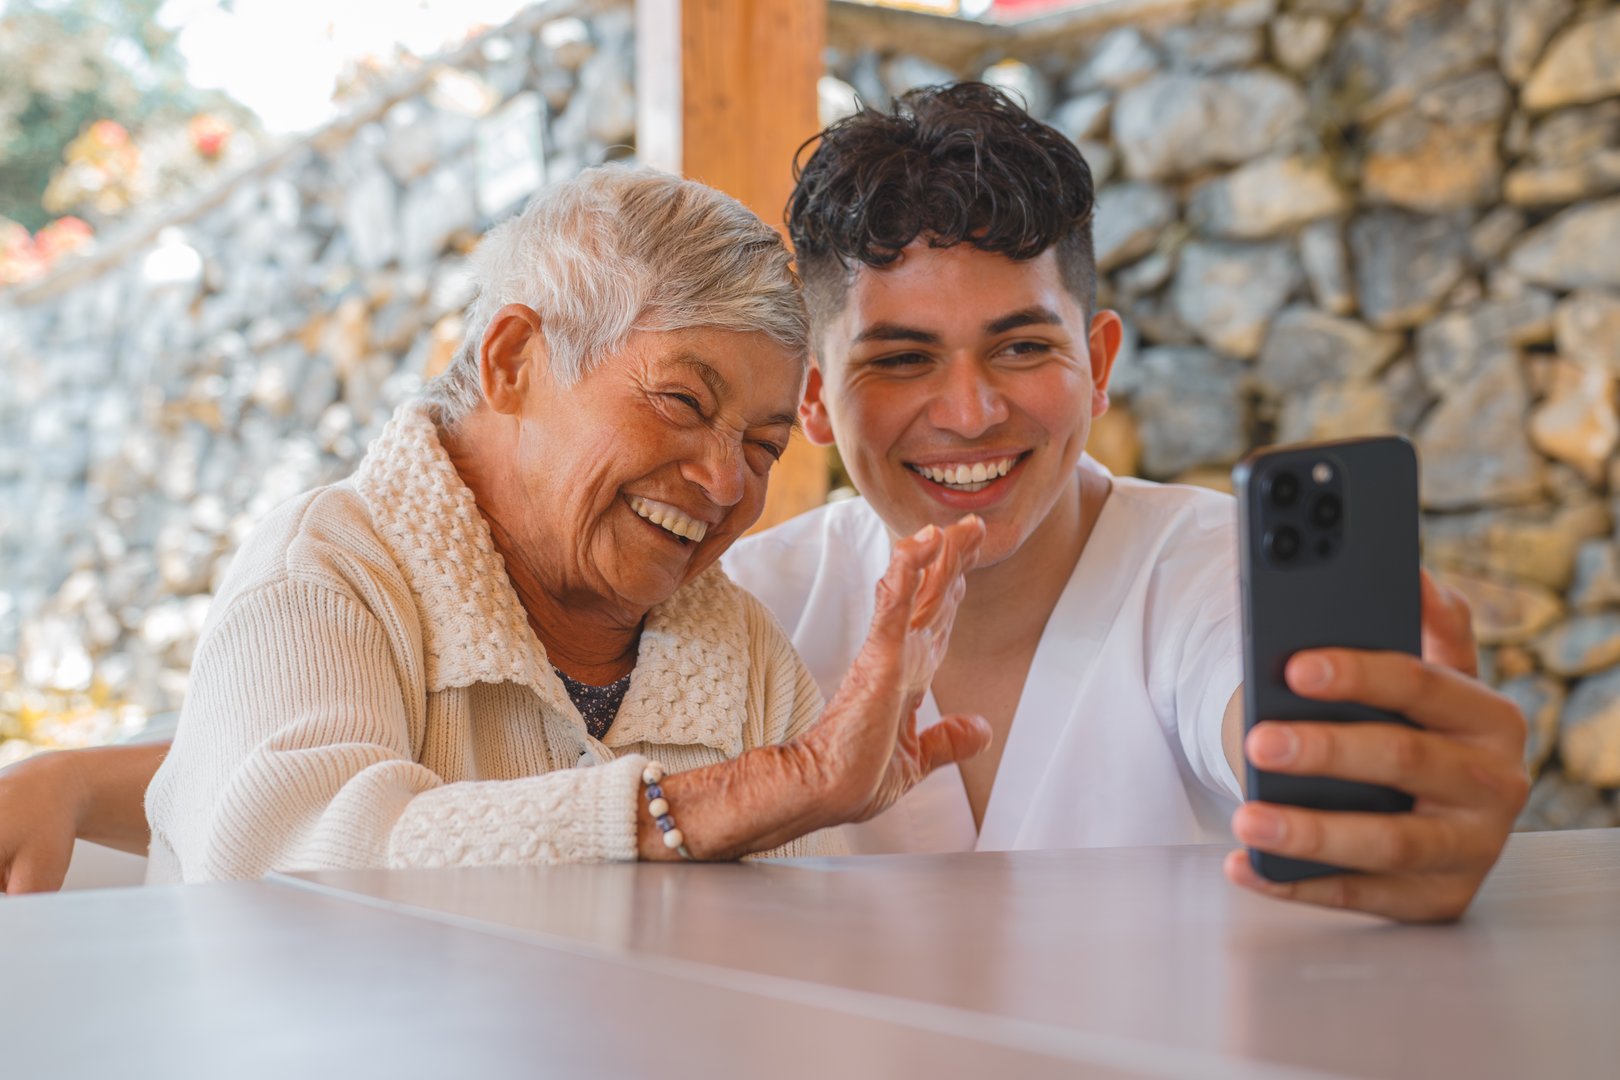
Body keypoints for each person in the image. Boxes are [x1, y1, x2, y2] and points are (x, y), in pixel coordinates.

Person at [1, 87, 1527, 921]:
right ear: (823, 399)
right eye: (901, 360)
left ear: (1100, 359)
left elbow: (1253, 702)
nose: (970, 411)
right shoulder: (748, 600)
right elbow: (347, 770)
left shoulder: (1198, 577)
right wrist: (92, 783)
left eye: (1023, 349)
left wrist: (1377, 771)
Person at [7, 165, 992, 887]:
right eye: (684, 404)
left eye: (768, 447)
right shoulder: (324, 573)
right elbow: (292, 869)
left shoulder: (739, 652)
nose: (725, 478)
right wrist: (753, 794)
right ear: (514, 359)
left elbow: (784, 962)